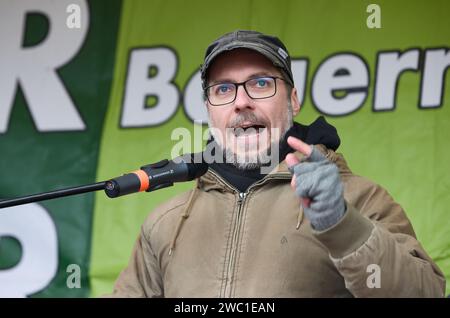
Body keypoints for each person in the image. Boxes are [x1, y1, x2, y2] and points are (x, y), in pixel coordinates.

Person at [108, 30, 446, 297]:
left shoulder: (359, 198)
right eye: (224, 89)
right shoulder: (164, 223)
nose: (241, 102)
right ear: (210, 109)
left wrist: (343, 226)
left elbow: (425, 293)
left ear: (293, 99)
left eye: (259, 83)